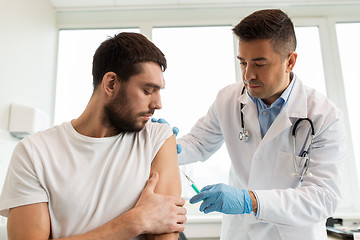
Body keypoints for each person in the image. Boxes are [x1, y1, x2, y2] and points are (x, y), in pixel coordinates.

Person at [176, 9, 346, 240]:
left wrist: (250, 201)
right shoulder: (228, 99)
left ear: (290, 61)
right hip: (239, 233)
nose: (248, 75)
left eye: (259, 64)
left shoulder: (323, 116)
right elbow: (197, 143)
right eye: (243, 62)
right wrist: (165, 145)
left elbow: (322, 198)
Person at [0, 32, 186, 240]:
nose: (158, 104)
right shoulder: (35, 152)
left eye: (159, 91)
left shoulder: (157, 139)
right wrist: (134, 222)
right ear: (111, 84)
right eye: (147, 90)